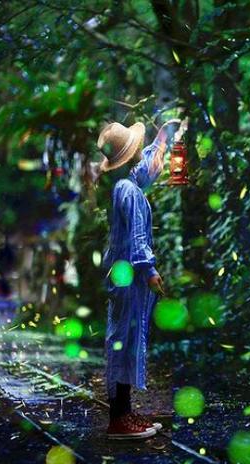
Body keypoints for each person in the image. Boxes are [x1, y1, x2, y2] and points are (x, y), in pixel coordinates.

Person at [96, 119, 180, 439]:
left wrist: (163, 139)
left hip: (126, 276)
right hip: (128, 276)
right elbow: (136, 238)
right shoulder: (127, 191)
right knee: (123, 344)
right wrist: (150, 271)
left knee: (127, 343)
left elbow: (149, 169)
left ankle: (125, 414)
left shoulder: (127, 183)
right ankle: (118, 420)